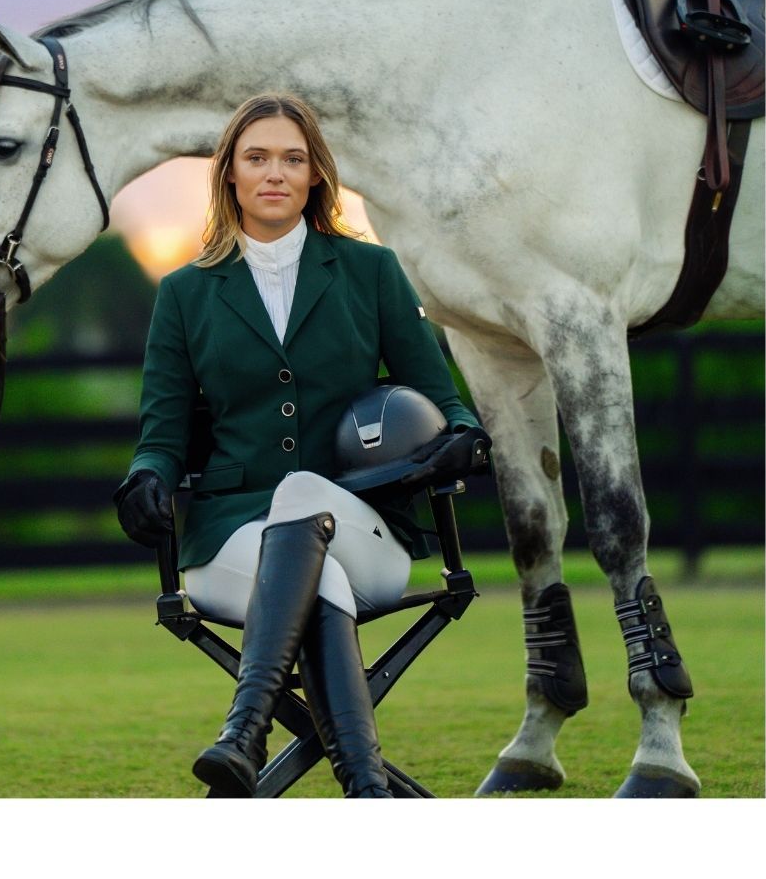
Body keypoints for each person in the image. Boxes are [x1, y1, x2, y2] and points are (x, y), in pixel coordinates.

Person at [114, 94, 489, 798]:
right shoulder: (185, 295)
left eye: (293, 158)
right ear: (229, 173)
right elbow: (161, 435)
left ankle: (245, 730)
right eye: (256, 158)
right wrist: (142, 478)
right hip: (228, 544)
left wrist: (464, 432)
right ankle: (368, 789)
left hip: (365, 531)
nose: (275, 173)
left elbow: (439, 394)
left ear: (317, 173)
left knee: (301, 495)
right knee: (321, 583)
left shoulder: (371, 271)